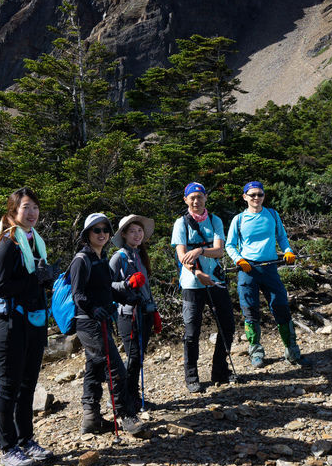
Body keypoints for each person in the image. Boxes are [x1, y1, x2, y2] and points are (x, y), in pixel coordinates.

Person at [0, 187, 56, 466]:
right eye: (26, 207)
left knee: (28, 385)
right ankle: (8, 448)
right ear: (13, 211)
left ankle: (26, 439)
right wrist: (36, 279)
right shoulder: (8, 243)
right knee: (9, 387)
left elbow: (34, 283)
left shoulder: (34, 241)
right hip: (10, 325)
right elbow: (1, 286)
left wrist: (46, 278)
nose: (31, 213)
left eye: (35, 207)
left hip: (32, 323)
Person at [69, 212, 146, 436]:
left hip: (99, 320)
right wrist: (93, 309)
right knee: (115, 368)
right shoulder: (81, 260)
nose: (102, 234)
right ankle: (126, 416)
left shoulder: (100, 258)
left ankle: (91, 418)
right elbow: (78, 295)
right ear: (87, 234)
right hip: (89, 323)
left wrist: (128, 297)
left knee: (94, 368)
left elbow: (107, 289)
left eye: (105, 229)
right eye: (96, 230)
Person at [225, 180, 310, 368]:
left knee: (281, 307)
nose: (256, 198)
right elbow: (230, 245)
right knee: (250, 311)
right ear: (245, 197)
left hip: (270, 268)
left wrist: (288, 250)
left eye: (260, 194)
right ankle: (256, 353)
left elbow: (282, 237)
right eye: (252, 194)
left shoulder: (272, 214)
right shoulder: (238, 220)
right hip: (247, 270)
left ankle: (292, 352)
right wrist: (239, 260)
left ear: (264, 196)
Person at [171, 182, 235, 393]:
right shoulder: (181, 223)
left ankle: (220, 371)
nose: (196, 201)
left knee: (227, 326)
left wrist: (199, 250)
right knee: (191, 331)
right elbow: (181, 256)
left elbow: (219, 251)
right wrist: (197, 273)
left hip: (216, 280)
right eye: (192, 198)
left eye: (200, 197)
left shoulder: (215, 220)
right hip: (191, 283)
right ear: (186, 200)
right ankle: (191, 376)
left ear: (206, 197)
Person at [109, 214, 161, 411]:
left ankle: (132, 396)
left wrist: (154, 310)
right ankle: (124, 399)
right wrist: (127, 284)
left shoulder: (139, 255)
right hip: (128, 314)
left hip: (145, 312)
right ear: (124, 234)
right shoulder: (118, 257)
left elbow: (146, 288)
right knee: (133, 357)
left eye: (139, 231)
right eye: (133, 231)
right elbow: (106, 285)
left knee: (138, 358)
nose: (137, 234)